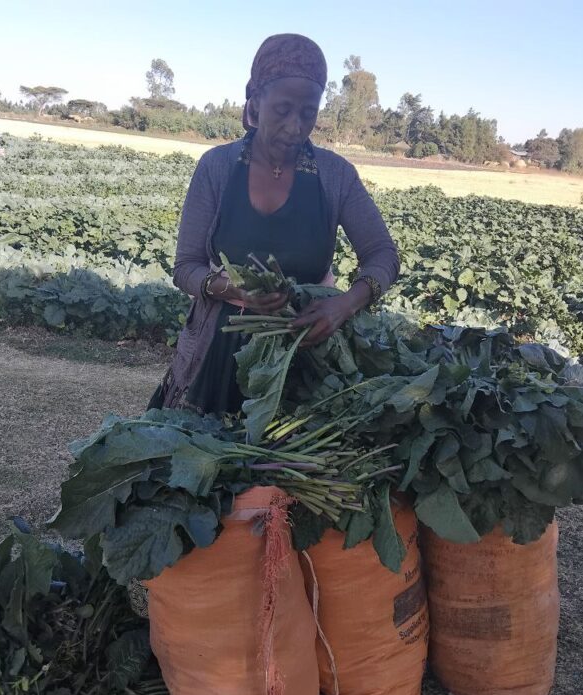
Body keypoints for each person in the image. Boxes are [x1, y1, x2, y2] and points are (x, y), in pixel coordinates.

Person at [149, 33, 399, 415]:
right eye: (282, 109)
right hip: (219, 353)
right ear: (255, 101)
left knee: (281, 471)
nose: (295, 126)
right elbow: (185, 268)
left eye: (308, 113)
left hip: (306, 358)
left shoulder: (336, 175)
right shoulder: (216, 167)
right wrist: (227, 287)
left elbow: (383, 254)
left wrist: (345, 305)